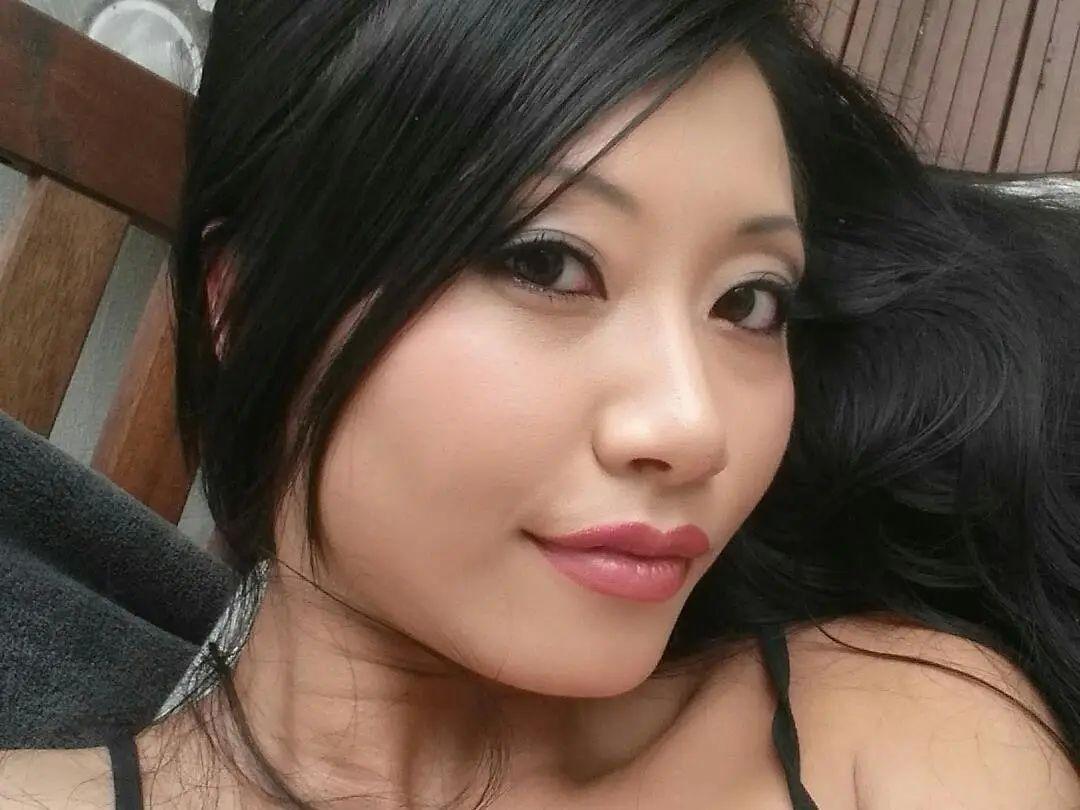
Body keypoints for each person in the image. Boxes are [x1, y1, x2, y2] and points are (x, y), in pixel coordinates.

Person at [4, 0, 1080, 807]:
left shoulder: (897, 736)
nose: (694, 426)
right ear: (239, 304)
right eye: (547, 263)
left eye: (749, 302)